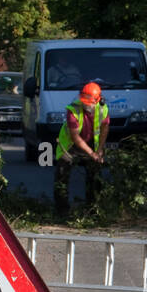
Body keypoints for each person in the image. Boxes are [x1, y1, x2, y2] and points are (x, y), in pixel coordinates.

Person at [53, 81, 109, 216]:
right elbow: (75, 138)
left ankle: (93, 209)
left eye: (89, 103)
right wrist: (91, 153)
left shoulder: (103, 109)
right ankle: (62, 211)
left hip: (92, 144)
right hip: (69, 146)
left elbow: (104, 130)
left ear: (98, 100)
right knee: (62, 173)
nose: (86, 105)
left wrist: (99, 150)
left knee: (95, 174)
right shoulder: (73, 110)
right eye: (84, 101)